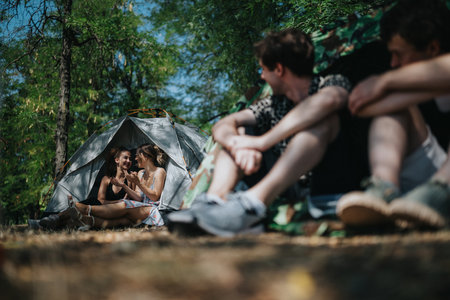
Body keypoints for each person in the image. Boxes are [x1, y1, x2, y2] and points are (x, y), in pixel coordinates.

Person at [168, 28, 352, 237]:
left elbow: (330, 100)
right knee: (238, 131)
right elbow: (225, 123)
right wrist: (238, 145)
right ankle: (214, 203)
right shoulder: (273, 104)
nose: (262, 76)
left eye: (264, 70)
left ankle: (252, 205)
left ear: (279, 69)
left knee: (325, 120)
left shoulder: (331, 82)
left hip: (325, 184)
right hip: (286, 187)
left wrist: (263, 142)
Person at [337, 0, 450, 228]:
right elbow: (362, 107)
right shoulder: (407, 84)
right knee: (393, 110)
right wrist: (408, 96)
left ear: (433, 49)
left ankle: (440, 192)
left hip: (443, 185)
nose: (393, 63)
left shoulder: (392, 79)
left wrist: (385, 81)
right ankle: (383, 190)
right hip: (426, 182)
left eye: (398, 54)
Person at [33, 143, 168, 230]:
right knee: (120, 219)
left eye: (137, 156)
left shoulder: (160, 171)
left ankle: (78, 208)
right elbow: (138, 198)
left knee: (125, 205)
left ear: (145, 156)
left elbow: (155, 195)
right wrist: (124, 185)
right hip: (138, 207)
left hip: (150, 210)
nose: (135, 159)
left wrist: (135, 184)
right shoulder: (140, 173)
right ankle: (56, 222)